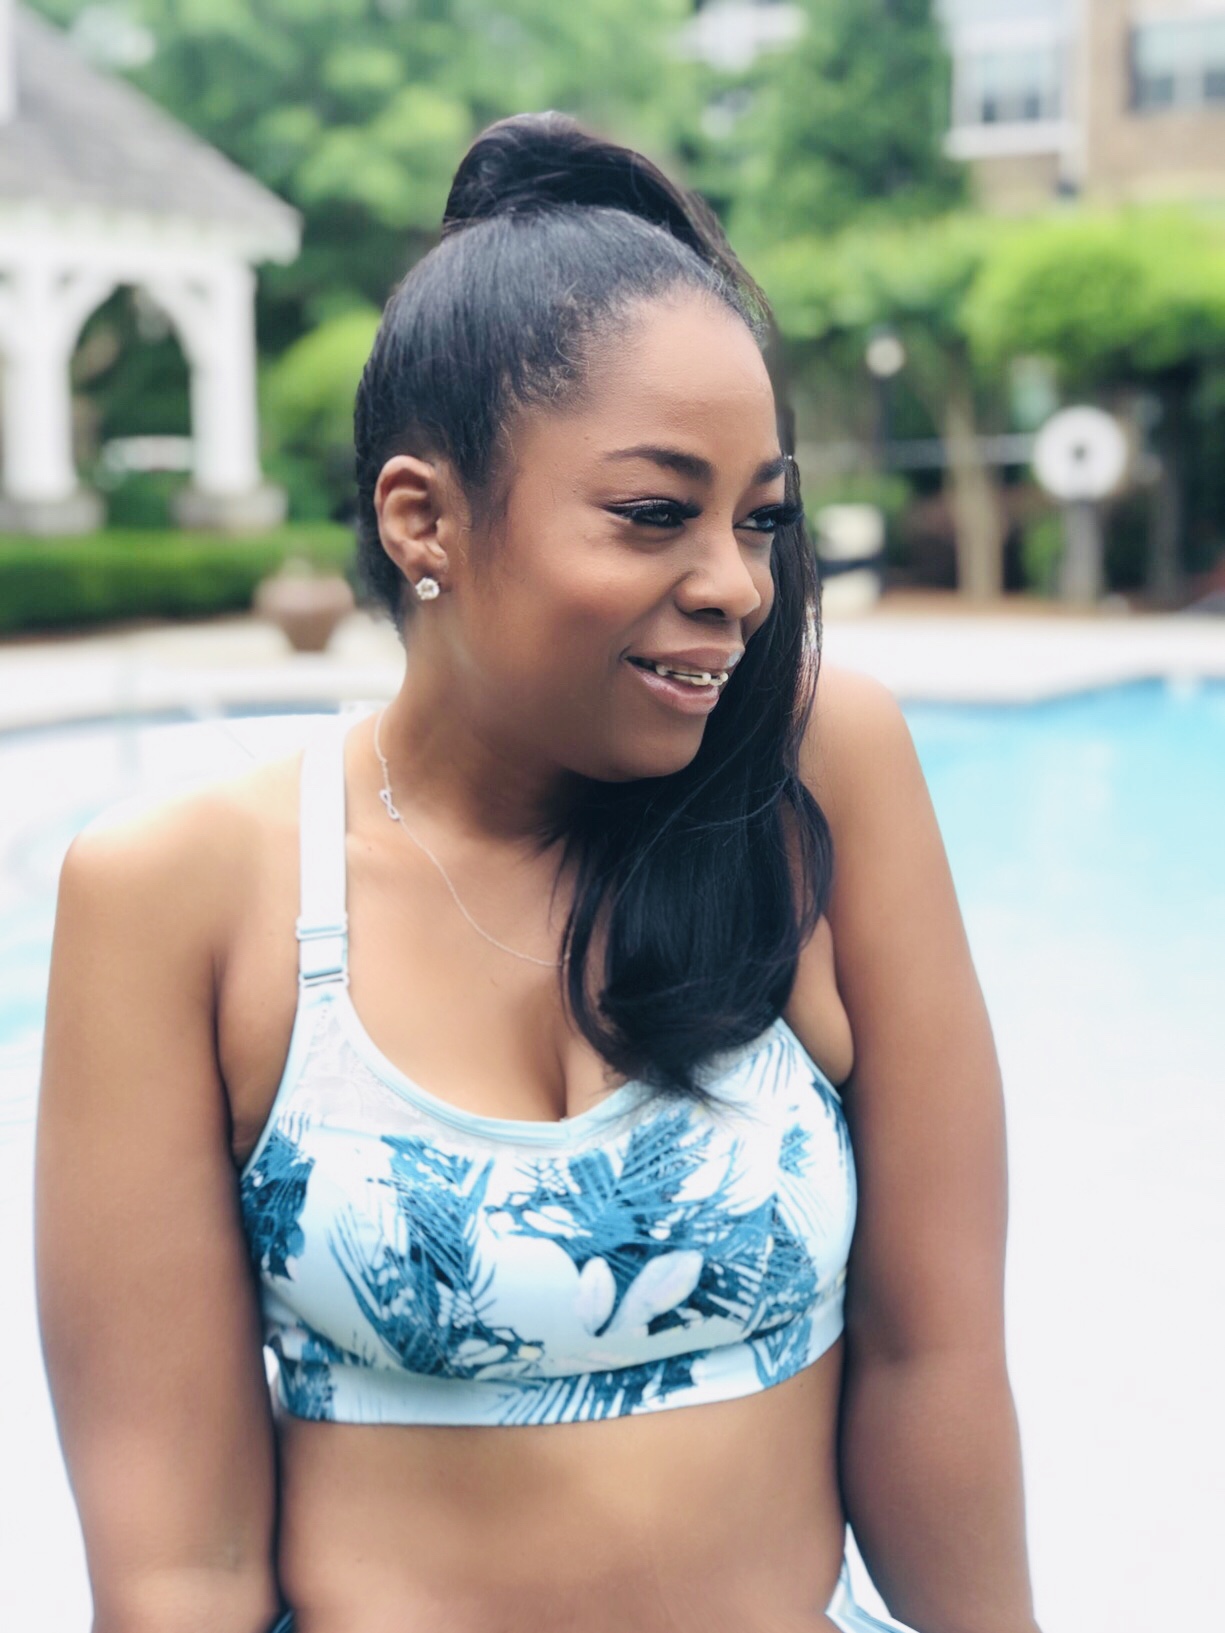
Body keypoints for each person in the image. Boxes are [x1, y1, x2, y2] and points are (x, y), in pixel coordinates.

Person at [36, 114, 1040, 1633]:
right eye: (654, 514)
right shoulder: (183, 896)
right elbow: (184, 1567)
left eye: (761, 519)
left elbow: (933, 1359)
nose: (737, 585)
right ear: (421, 518)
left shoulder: (812, 777)